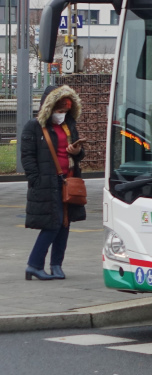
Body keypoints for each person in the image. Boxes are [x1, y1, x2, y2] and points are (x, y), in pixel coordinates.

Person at [21, 84, 85, 281]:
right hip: (47, 184)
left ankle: (56, 265)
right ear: (48, 107)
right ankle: (34, 265)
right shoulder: (34, 126)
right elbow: (27, 156)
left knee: (65, 224)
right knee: (53, 224)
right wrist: (36, 181)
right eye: (59, 110)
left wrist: (77, 152)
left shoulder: (68, 126)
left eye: (65, 110)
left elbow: (79, 154)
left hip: (69, 182)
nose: (62, 114)